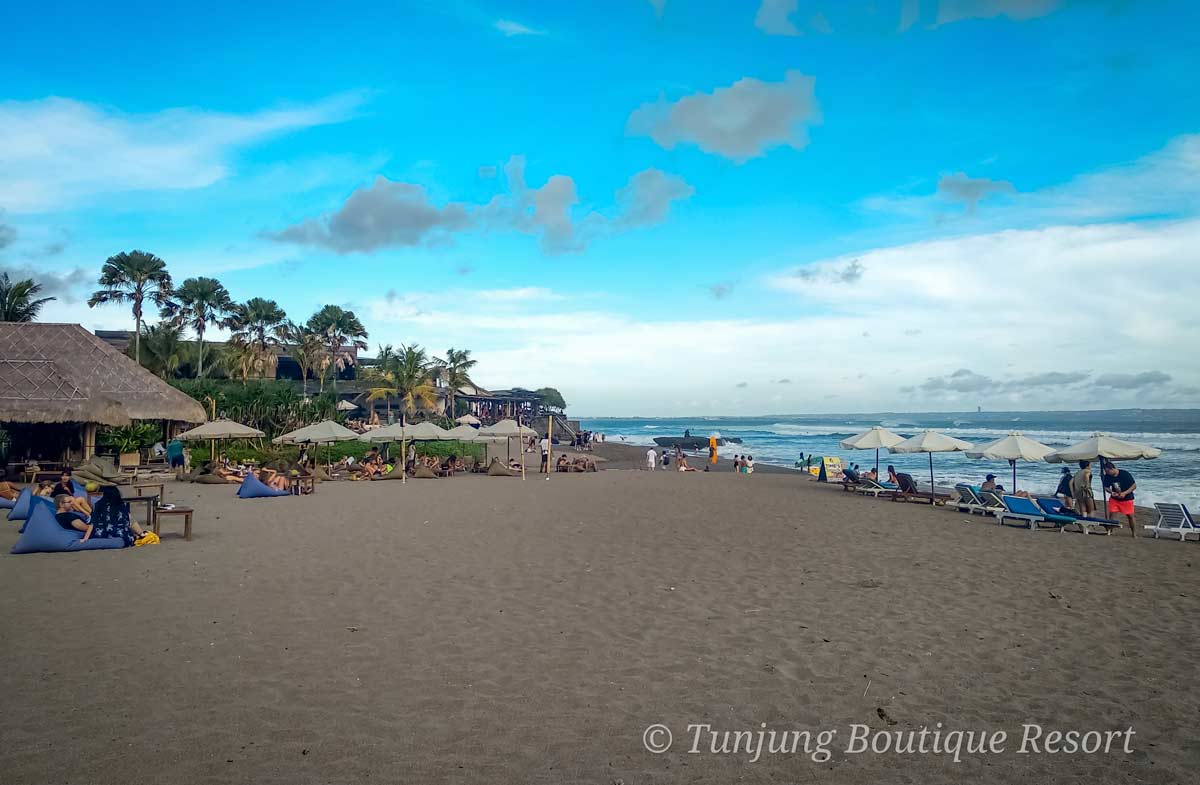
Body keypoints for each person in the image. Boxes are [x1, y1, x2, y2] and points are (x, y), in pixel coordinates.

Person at [1102, 461, 1139, 538]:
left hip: (1127, 498)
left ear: (1112, 469)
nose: (1107, 473)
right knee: (1112, 514)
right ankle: (1110, 531)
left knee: (1130, 516)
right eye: (1106, 472)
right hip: (1115, 498)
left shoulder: (1124, 474)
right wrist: (1111, 492)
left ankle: (1134, 533)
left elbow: (1134, 486)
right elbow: (1106, 487)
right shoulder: (1107, 476)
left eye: (1108, 471)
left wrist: (1125, 493)